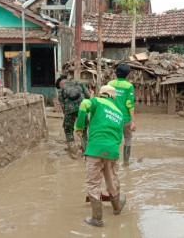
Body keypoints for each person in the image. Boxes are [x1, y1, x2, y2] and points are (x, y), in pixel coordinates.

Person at [75, 85, 126, 227]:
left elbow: (84, 104)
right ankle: (116, 208)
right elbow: (119, 137)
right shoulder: (119, 113)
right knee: (111, 179)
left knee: (93, 183)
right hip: (112, 151)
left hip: (95, 149)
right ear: (113, 97)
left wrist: (79, 127)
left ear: (101, 94)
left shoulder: (97, 101)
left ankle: (97, 219)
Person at [108, 63, 137, 166]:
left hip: (112, 118)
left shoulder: (110, 84)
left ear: (116, 73)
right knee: (128, 139)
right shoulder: (129, 86)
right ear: (128, 74)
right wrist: (133, 121)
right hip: (125, 119)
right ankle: (126, 162)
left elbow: (107, 101)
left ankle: (112, 162)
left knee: (113, 139)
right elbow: (130, 104)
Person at [56, 75, 91, 156]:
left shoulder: (61, 90)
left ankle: (73, 152)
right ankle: (85, 150)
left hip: (69, 110)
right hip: (83, 108)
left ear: (60, 84)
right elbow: (88, 96)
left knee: (68, 129)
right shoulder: (79, 83)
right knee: (84, 129)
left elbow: (62, 105)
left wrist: (67, 117)